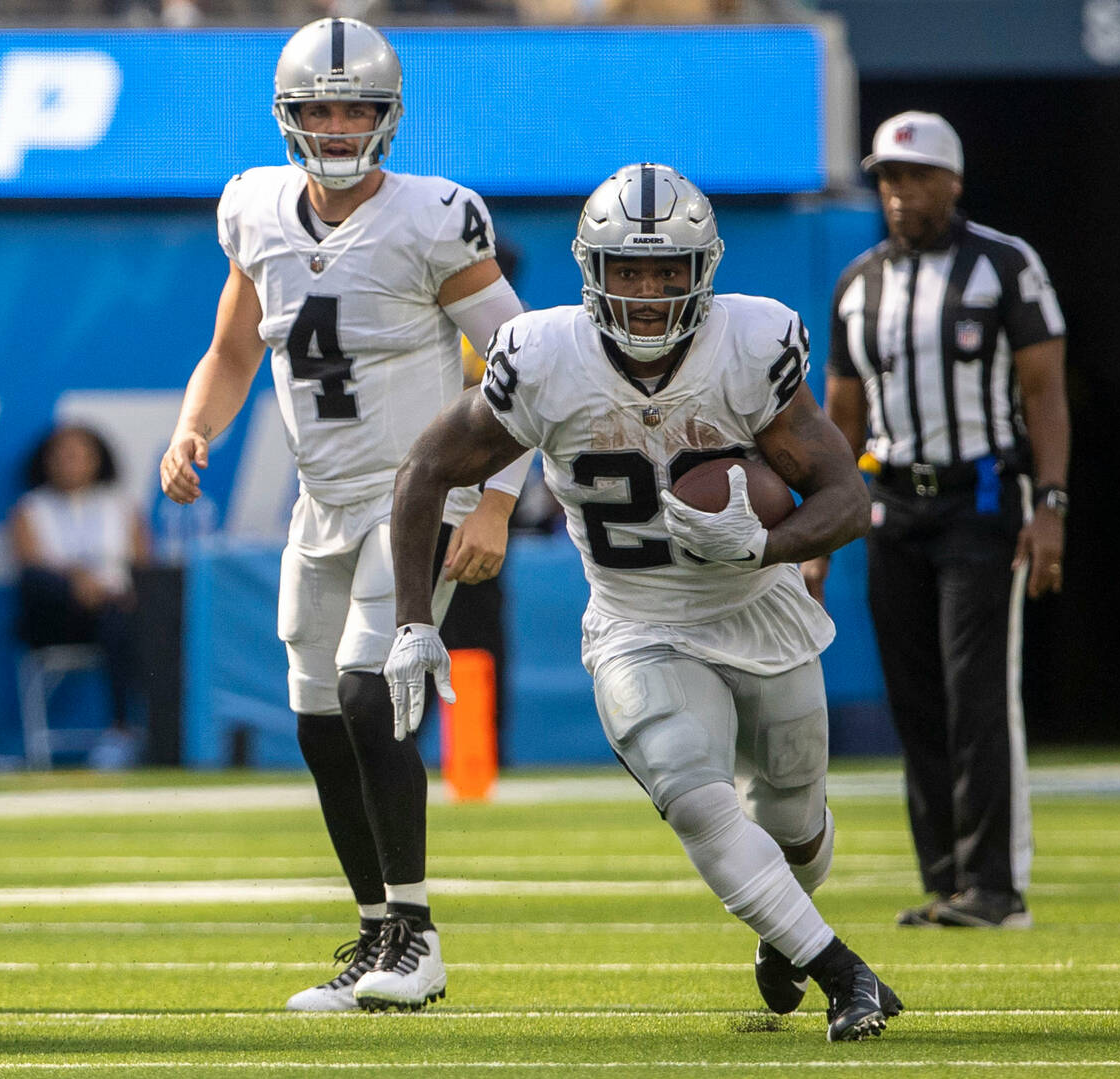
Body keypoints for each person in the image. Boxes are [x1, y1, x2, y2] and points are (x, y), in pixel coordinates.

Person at [383, 163, 904, 1042]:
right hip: (637, 618)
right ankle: (842, 972)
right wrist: (410, 620)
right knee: (695, 793)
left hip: (759, 603)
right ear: (593, 269)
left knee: (795, 815)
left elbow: (845, 498)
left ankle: (785, 936)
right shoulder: (544, 356)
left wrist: (765, 545)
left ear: (706, 269)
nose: (650, 291)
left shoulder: (751, 343)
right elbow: (425, 470)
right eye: (629, 269)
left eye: (668, 271)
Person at [159, 17, 530, 1012]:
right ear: (287, 115)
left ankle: (416, 936)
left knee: (369, 689)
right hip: (319, 501)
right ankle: (378, 931)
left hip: (418, 494)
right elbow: (236, 350)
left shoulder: (433, 217)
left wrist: (495, 500)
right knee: (318, 718)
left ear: (387, 117)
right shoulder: (255, 207)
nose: (334, 124)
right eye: (317, 107)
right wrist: (195, 429)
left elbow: (526, 367)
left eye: (352, 107)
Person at [804, 112, 1069, 929]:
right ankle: (949, 877)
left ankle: (995, 886)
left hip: (982, 498)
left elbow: (1043, 392)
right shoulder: (859, 282)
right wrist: (816, 532)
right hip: (891, 504)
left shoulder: (1005, 266)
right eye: (887, 178)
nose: (898, 193)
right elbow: (839, 416)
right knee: (914, 697)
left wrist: (1052, 502)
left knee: (976, 693)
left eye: (915, 177)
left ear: (952, 181)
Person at [10, 424, 151, 766]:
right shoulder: (30, 509)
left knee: (119, 617)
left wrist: (110, 593)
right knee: (40, 582)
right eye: (60, 455)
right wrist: (77, 584)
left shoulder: (121, 506)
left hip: (115, 616)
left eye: (77, 454)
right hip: (58, 618)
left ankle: (121, 732)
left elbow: (144, 568)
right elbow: (32, 568)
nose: (68, 462)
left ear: (97, 459)